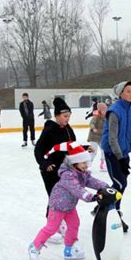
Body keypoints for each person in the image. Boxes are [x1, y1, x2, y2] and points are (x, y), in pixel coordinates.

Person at [28, 142, 109, 260]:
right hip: (58, 206)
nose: (86, 165)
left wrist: (106, 187)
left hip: (70, 206)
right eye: (83, 163)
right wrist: (92, 196)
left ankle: (69, 249)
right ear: (74, 163)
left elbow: (91, 181)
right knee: (51, 228)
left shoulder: (82, 173)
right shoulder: (68, 175)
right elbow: (77, 189)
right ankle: (34, 247)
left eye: (87, 162)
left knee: (74, 224)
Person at [101, 81, 131, 233]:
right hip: (112, 152)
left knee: (121, 184)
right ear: (120, 94)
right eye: (128, 91)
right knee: (120, 184)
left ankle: (105, 205)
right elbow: (112, 138)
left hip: (124, 152)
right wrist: (120, 158)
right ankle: (114, 214)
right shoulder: (114, 111)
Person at [34, 97, 77, 243]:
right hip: (50, 169)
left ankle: (58, 222)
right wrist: (44, 163)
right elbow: (38, 149)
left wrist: (83, 150)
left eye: (69, 116)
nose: (67, 119)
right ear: (57, 116)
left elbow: (72, 146)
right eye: (65, 116)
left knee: (63, 196)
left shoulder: (68, 129)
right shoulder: (50, 129)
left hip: (63, 169)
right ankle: (51, 226)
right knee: (54, 197)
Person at [87, 102, 108, 172]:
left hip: (101, 137)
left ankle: (102, 164)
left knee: (104, 151)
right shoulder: (96, 116)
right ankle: (88, 165)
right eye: (103, 110)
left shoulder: (106, 117)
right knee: (93, 151)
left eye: (105, 110)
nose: (105, 111)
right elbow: (91, 123)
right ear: (99, 110)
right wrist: (93, 128)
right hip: (93, 137)